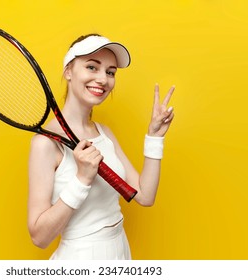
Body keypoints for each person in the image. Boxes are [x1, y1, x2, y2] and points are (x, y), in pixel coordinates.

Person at [27, 34, 175, 260]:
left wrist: (154, 138)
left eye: (110, 72)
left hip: (119, 250)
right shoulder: (45, 144)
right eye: (92, 67)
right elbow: (39, 237)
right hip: (82, 258)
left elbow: (144, 196)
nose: (103, 79)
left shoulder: (104, 132)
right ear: (68, 71)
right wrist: (82, 179)